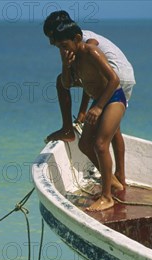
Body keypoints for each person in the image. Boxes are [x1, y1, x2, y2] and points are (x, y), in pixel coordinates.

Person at [43, 10, 136, 187]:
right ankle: (119, 177)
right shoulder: (68, 44)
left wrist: (92, 108)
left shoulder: (85, 41)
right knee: (62, 81)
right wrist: (83, 111)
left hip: (117, 76)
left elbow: (93, 74)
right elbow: (86, 80)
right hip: (111, 77)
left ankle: (117, 178)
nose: (51, 42)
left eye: (51, 36)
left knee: (110, 132)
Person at [53, 20, 127, 211]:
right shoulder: (72, 58)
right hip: (99, 101)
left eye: (64, 46)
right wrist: (64, 65)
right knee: (84, 144)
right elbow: (67, 84)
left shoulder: (90, 51)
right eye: (58, 48)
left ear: (77, 39)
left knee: (100, 144)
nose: (62, 50)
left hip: (114, 98)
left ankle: (107, 196)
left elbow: (114, 79)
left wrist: (99, 107)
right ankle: (114, 182)